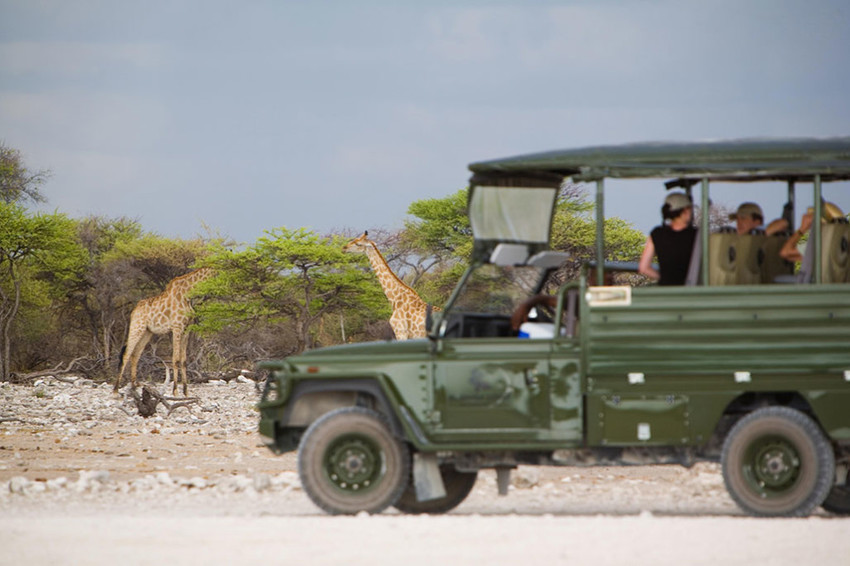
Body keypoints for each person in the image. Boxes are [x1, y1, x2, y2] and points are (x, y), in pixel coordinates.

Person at [639, 192, 696, 285]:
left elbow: (644, 268)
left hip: (666, 292)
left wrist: (665, 279)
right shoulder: (695, 235)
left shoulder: (657, 233)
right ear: (686, 211)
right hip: (691, 292)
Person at [779, 202, 845, 263]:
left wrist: (802, 229)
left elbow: (785, 252)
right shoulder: (839, 241)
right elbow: (790, 256)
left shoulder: (822, 243)